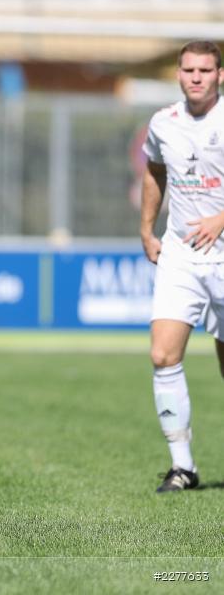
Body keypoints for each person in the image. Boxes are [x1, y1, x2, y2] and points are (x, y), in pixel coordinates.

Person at [141, 40, 224, 493]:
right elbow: (155, 171)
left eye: (205, 70)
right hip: (181, 255)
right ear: (178, 74)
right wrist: (146, 227)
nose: (196, 77)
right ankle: (183, 467)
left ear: (220, 76)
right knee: (162, 355)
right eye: (189, 70)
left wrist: (221, 218)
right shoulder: (163, 123)